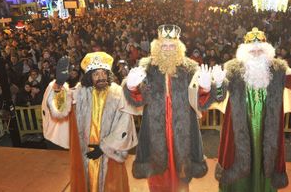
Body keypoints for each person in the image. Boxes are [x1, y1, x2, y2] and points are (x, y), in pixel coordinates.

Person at [214, 28, 291, 192]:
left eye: (260, 48)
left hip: (268, 130)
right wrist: (217, 84)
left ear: (267, 50)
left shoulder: (278, 70)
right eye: (252, 48)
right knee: (236, 160)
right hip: (238, 130)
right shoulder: (232, 70)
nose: (256, 51)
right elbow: (219, 96)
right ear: (244, 51)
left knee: (265, 160)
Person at [123, 24, 224, 192]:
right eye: (164, 45)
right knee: (156, 176)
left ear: (178, 47)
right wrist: (131, 87)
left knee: (181, 175)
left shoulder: (190, 68)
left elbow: (200, 102)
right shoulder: (147, 68)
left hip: (183, 131)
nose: (168, 49)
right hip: (155, 131)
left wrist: (206, 88)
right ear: (157, 47)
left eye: (172, 45)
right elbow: (139, 99)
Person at [43, 52, 137, 192]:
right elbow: (59, 109)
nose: (101, 77)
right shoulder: (79, 92)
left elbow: (125, 125)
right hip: (85, 153)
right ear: (89, 77)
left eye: (103, 73)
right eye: (96, 74)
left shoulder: (118, 94)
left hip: (110, 154)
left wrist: (104, 148)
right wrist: (58, 84)